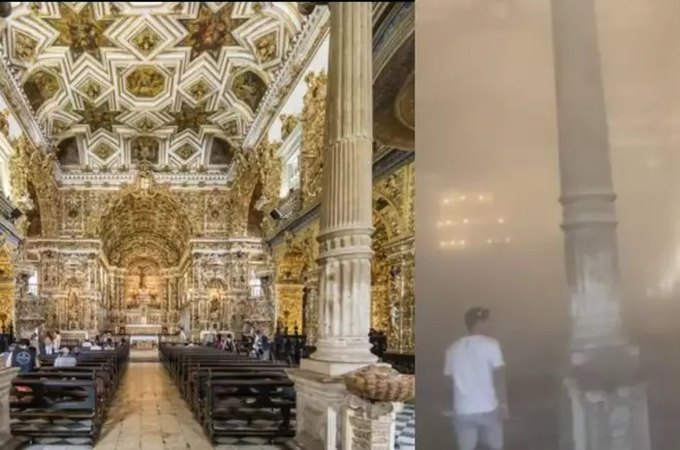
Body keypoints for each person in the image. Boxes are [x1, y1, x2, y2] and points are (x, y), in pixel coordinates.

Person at [444, 307, 508, 450]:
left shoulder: (452, 349)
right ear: (480, 323)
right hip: (488, 408)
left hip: (463, 410)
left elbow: (449, 382)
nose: (490, 325)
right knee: (495, 446)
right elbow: (499, 375)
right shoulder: (492, 345)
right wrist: (503, 404)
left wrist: (449, 408)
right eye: (487, 321)